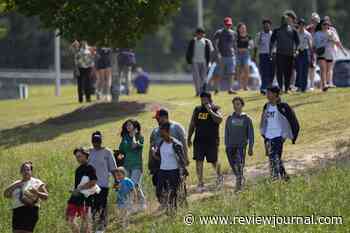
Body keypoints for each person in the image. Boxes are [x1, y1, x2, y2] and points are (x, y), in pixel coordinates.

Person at [148, 108, 189, 203]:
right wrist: (151, 162)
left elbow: (183, 143)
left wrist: (185, 158)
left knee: (178, 183)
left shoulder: (177, 127)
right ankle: (167, 203)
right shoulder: (155, 131)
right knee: (161, 184)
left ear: (164, 117)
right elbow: (151, 147)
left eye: (158, 118)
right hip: (160, 162)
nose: (157, 121)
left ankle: (181, 201)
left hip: (175, 163)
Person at [260, 86, 300, 181]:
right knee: (273, 157)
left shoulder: (284, 106)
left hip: (278, 136)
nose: (267, 95)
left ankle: (275, 178)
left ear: (275, 94)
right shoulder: (266, 106)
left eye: (269, 93)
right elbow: (263, 120)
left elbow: (293, 121)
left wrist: (289, 135)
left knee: (274, 156)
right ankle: (283, 177)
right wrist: (263, 133)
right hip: (268, 137)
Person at [188, 92, 224, 192]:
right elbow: (192, 124)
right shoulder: (197, 109)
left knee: (213, 161)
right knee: (198, 161)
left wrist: (210, 110)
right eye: (202, 99)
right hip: (199, 140)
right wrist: (189, 138)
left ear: (209, 99)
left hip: (212, 141)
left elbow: (219, 120)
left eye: (205, 98)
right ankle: (200, 182)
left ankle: (220, 177)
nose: (203, 100)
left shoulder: (216, 108)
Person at [4, 162, 48, 233]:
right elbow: (6, 194)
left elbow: (46, 196)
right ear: (21, 172)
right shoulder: (17, 182)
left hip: (30, 211)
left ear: (31, 171)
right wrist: (16, 185)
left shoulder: (37, 182)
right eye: (24, 170)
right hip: (17, 212)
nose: (26, 171)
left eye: (28, 169)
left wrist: (37, 192)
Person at [88, 131, 118, 233]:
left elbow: (113, 168)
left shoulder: (107, 152)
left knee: (102, 204)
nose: (96, 143)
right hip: (91, 185)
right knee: (93, 206)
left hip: (103, 184)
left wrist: (116, 180)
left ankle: (102, 225)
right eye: (94, 141)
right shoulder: (89, 152)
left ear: (101, 141)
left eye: (98, 141)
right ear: (92, 141)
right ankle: (95, 224)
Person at [225, 97, 254, 192]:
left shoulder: (246, 118)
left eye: (237, 104)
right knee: (233, 164)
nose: (235, 106)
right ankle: (239, 178)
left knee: (240, 164)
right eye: (234, 104)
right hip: (230, 146)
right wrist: (226, 144)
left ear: (242, 105)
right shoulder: (229, 118)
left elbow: (251, 134)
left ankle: (239, 183)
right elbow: (227, 132)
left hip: (241, 146)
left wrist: (250, 147)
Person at [66, 148, 98, 233]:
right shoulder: (78, 170)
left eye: (80, 156)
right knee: (69, 220)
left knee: (85, 223)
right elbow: (78, 186)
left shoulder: (90, 168)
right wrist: (74, 190)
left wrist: (80, 188)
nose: (78, 158)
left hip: (86, 200)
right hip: (75, 198)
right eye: (76, 157)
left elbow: (93, 182)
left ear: (86, 156)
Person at [117, 119, 146, 212]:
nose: (128, 127)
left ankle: (140, 204)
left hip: (137, 165)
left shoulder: (140, 137)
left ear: (135, 126)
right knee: (131, 185)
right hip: (126, 165)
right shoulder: (125, 137)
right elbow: (121, 150)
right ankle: (134, 205)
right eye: (127, 125)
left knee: (134, 184)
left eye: (130, 125)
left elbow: (134, 146)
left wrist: (133, 136)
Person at [270, 15, 300, 93]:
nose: (285, 21)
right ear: (281, 21)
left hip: (290, 54)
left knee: (288, 72)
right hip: (279, 54)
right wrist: (271, 52)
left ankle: (286, 88)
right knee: (279, 72)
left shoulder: (293, 30)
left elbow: (297, 42)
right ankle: (280, 87)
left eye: (286, 20)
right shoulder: (276, 30)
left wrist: (296, 50)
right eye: (283, 20)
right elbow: (272, 42)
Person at [313, 19, 345, 92]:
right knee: (322, 69)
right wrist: (314, 52)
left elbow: (337, 42)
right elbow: (313, 45)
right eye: (324, 24)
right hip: (321, 53)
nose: (325, 26)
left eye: (327, 24)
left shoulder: (332, 33)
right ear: (321, 25)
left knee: (328, 70)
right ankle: (324, 85)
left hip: (330, 53)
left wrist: (343, 50)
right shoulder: (317, 34)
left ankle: (328, 83)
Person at [186, 27, 214, 96]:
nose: (200, 35)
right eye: (198, 34)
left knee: (203, 77)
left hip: (204, 62)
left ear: (203, 34)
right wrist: (189, 61)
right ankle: (198, 91)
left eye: (201, 34)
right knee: (196, 77)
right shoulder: (193, 41)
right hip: (195, 61)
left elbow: (210, 52)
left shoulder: (207, 41)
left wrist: (210, 61)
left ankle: (202, 90)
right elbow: (188, 52)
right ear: (196, 34)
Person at [213, 17, 237, 94]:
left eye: (229, 24)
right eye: (227, 24)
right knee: (218, 73)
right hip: (222, 56)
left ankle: (230, 89)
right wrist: (218, 54)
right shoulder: (219, 32)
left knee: (231, 73)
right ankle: (216, 88)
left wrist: (235, 53)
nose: (228, 26)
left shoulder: (233, 33)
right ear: (224, 24)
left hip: (231, 56)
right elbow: (215, 44)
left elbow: (234, 44)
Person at [253, 18, 275, 95]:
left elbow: (275, 45)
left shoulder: (273, 34)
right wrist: (254, 56)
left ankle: (269, 88)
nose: (266, 27)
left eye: (268, 25)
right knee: (264, 72)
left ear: (270, 26)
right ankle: (263, 88)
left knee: (271, 72)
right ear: (263, 26)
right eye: (265, 25)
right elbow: (255, 46)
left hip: (271, 55)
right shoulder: (260, 35)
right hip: (263, 55)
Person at [295, 18, 313, 92]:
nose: (301, 26)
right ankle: (299, 86)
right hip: (298, 52)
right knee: (299, 70)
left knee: (305, 70)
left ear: (304, 26)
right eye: (300, 25)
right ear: (298, 25)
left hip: (305, 52)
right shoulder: (296, 33)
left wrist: (311, 54)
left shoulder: (308, 34)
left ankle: (304, 87)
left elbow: (310, 45)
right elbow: (294, 44)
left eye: (303, 25)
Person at [236, 23, 254, 91]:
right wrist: (238, 49)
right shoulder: (236, 36)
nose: (243, 29)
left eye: (244, 28)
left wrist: (247, 48)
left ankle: (245, 86)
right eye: (242, 28)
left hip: (246, 54)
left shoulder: (248, 37)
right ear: (239, 29)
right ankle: (240, 86)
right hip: (238, 54)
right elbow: (234, 45)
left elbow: (251, 45)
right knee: (239, 71)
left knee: (247, 70)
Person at [306, 13, 321, 91]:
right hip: (311, 51)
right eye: (313, 20)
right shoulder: (307, 29)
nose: (314, 22)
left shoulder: (320, 29)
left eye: (316, 21)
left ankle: (324, 83)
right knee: (311, 68)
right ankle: (311, 85)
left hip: (320, 50)